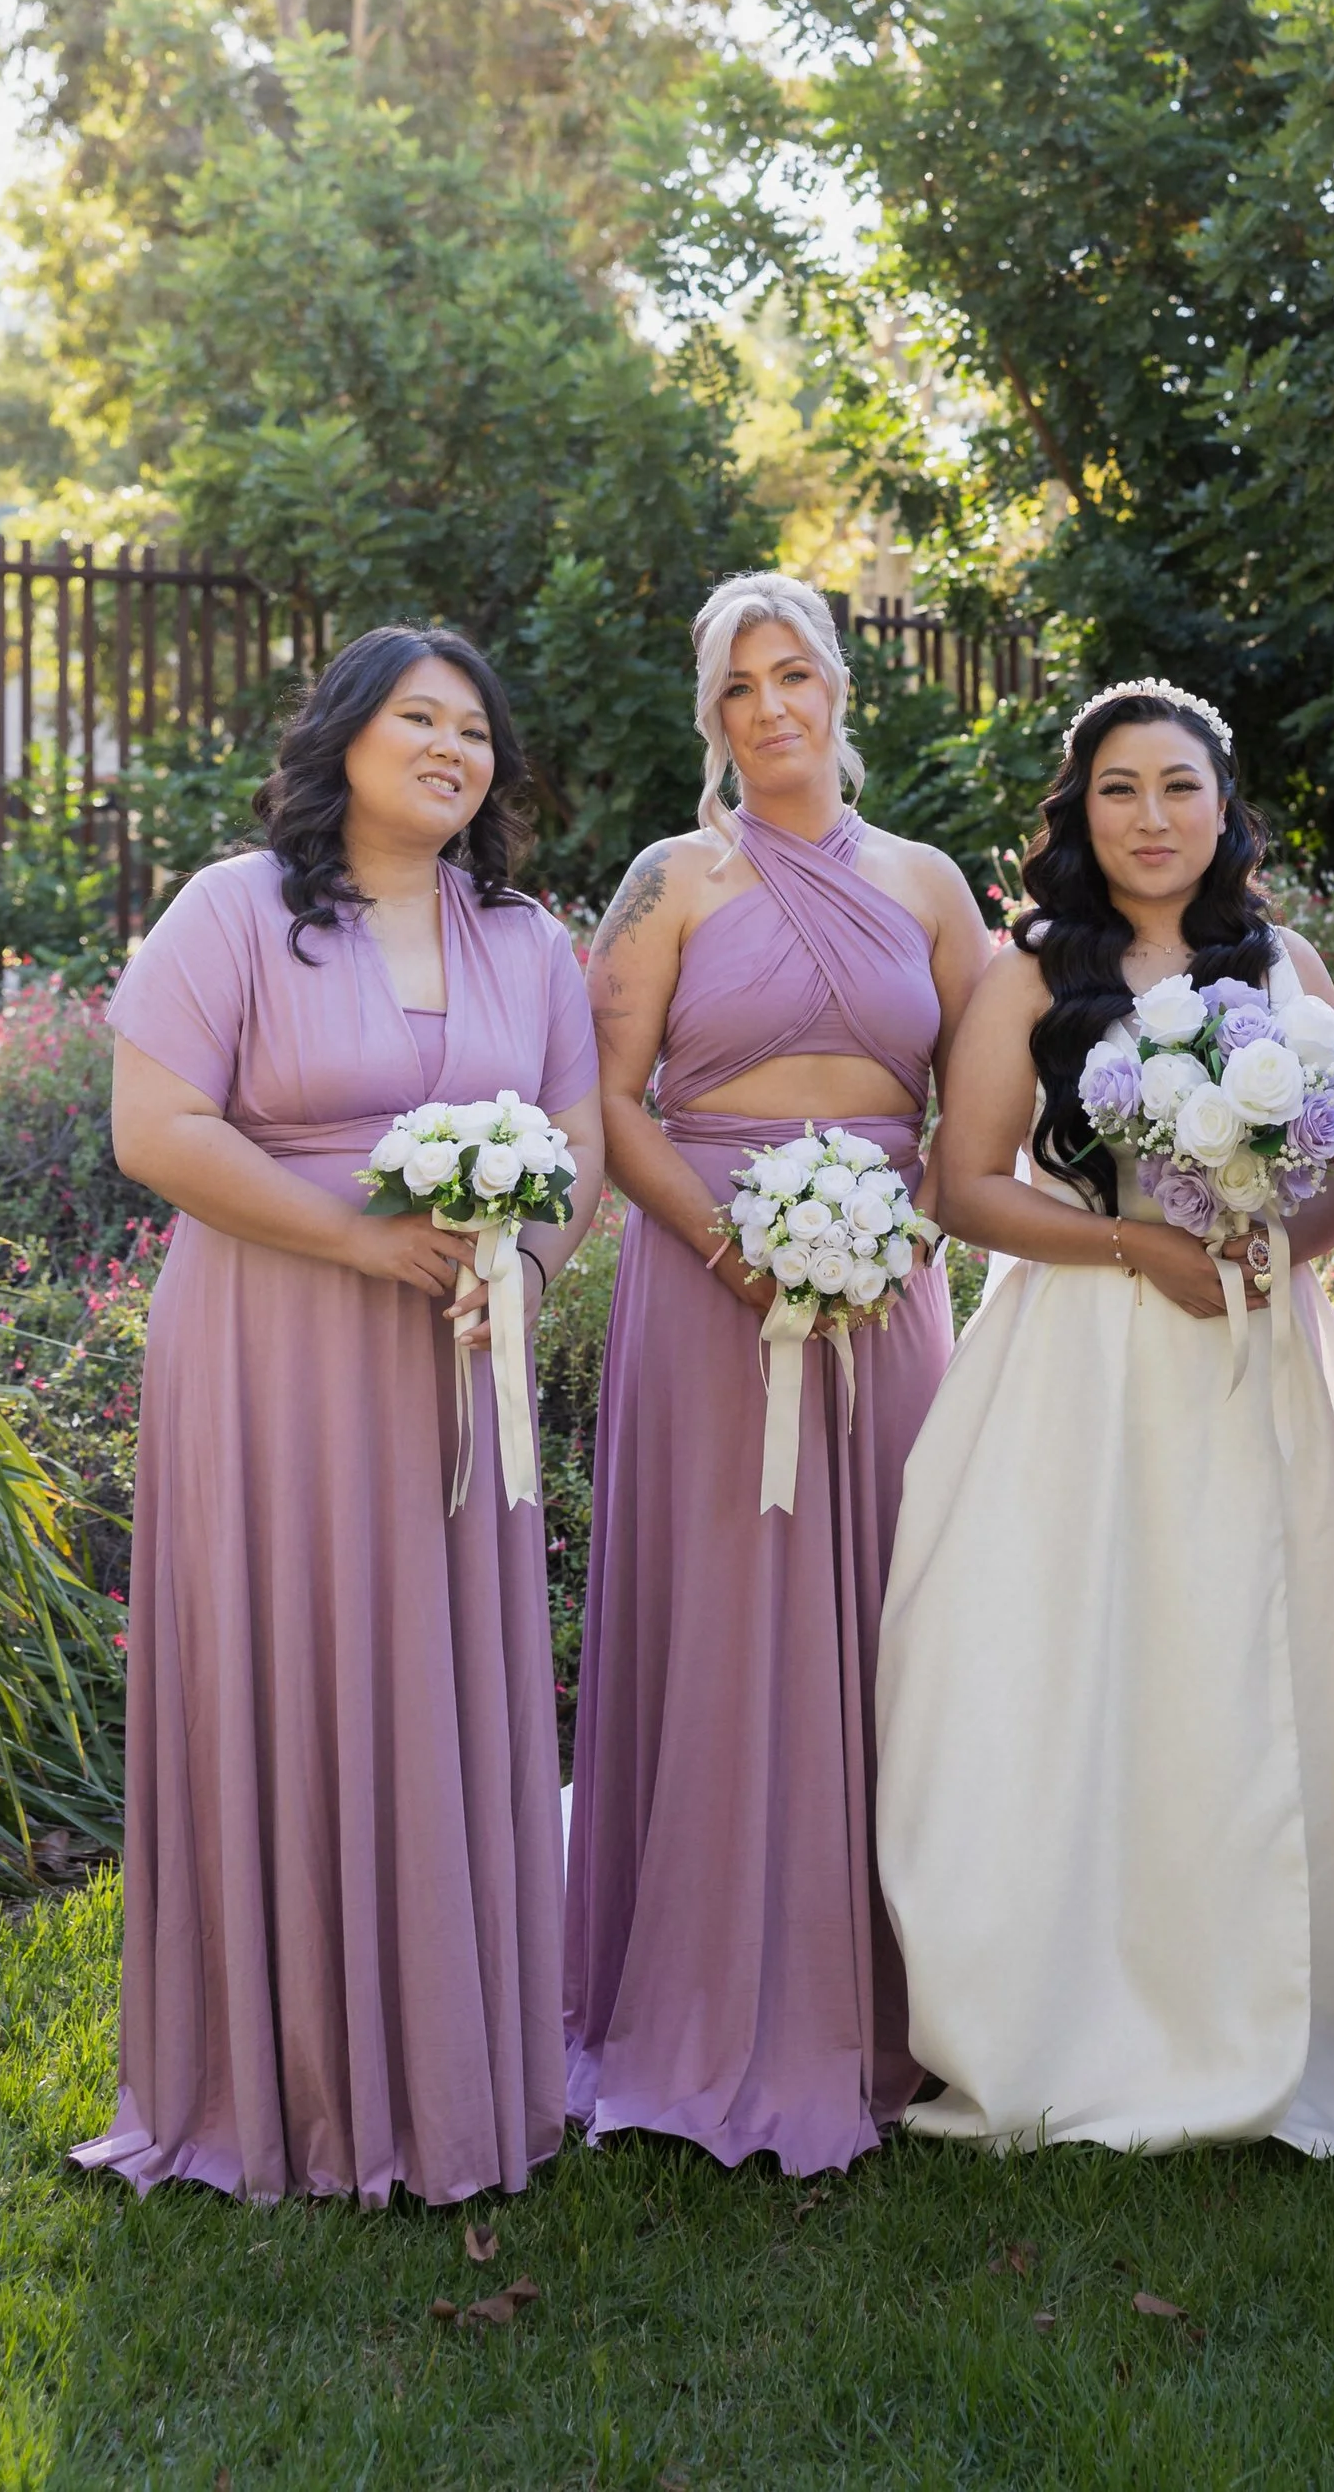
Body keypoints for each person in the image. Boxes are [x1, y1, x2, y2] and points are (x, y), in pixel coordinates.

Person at [78, 627, 604, 2207]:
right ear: (346, 738)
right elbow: (153, 1127)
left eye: (474, 727)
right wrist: (365, 1241)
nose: (452, 746)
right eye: (418, 718)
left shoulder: (527, 937)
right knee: (290, 1662)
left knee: (442, 1678)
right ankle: (286, 2080)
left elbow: (574, 1139)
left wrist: (518, 1267)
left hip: (456, 1359)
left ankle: (455, 2071)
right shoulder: (233, 909)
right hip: (273, 1348)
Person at [875, 680, 1334, 2155]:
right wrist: (1131, 1245)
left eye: (1179, 786)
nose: (1152, 817)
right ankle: (1075, 2001)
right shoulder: (1033, 970)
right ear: (1079, 809)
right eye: (1119, 788)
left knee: (1262, 1659)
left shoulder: (1287, 960)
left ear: (1224, 805)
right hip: (1084, 1354)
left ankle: (1291, 1991)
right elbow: (967, 1181)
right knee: (1070, 1660)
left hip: (1256, 1349)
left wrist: (1282, 1249)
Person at [562, 574, 991, 2177]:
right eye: (736, 685)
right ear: (711, 715)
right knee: (725, 1615)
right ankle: (685, 1990)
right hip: (702, 1285)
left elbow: (983, 1100)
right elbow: (609, 1099)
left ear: (838, 687)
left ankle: (885, 1997)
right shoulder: (671, 877)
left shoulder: (931, 882)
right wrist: (745, 1255)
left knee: (891, 1621)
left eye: (792, 671)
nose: (769, 707)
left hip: (885, 1294)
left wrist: (899, 1234)